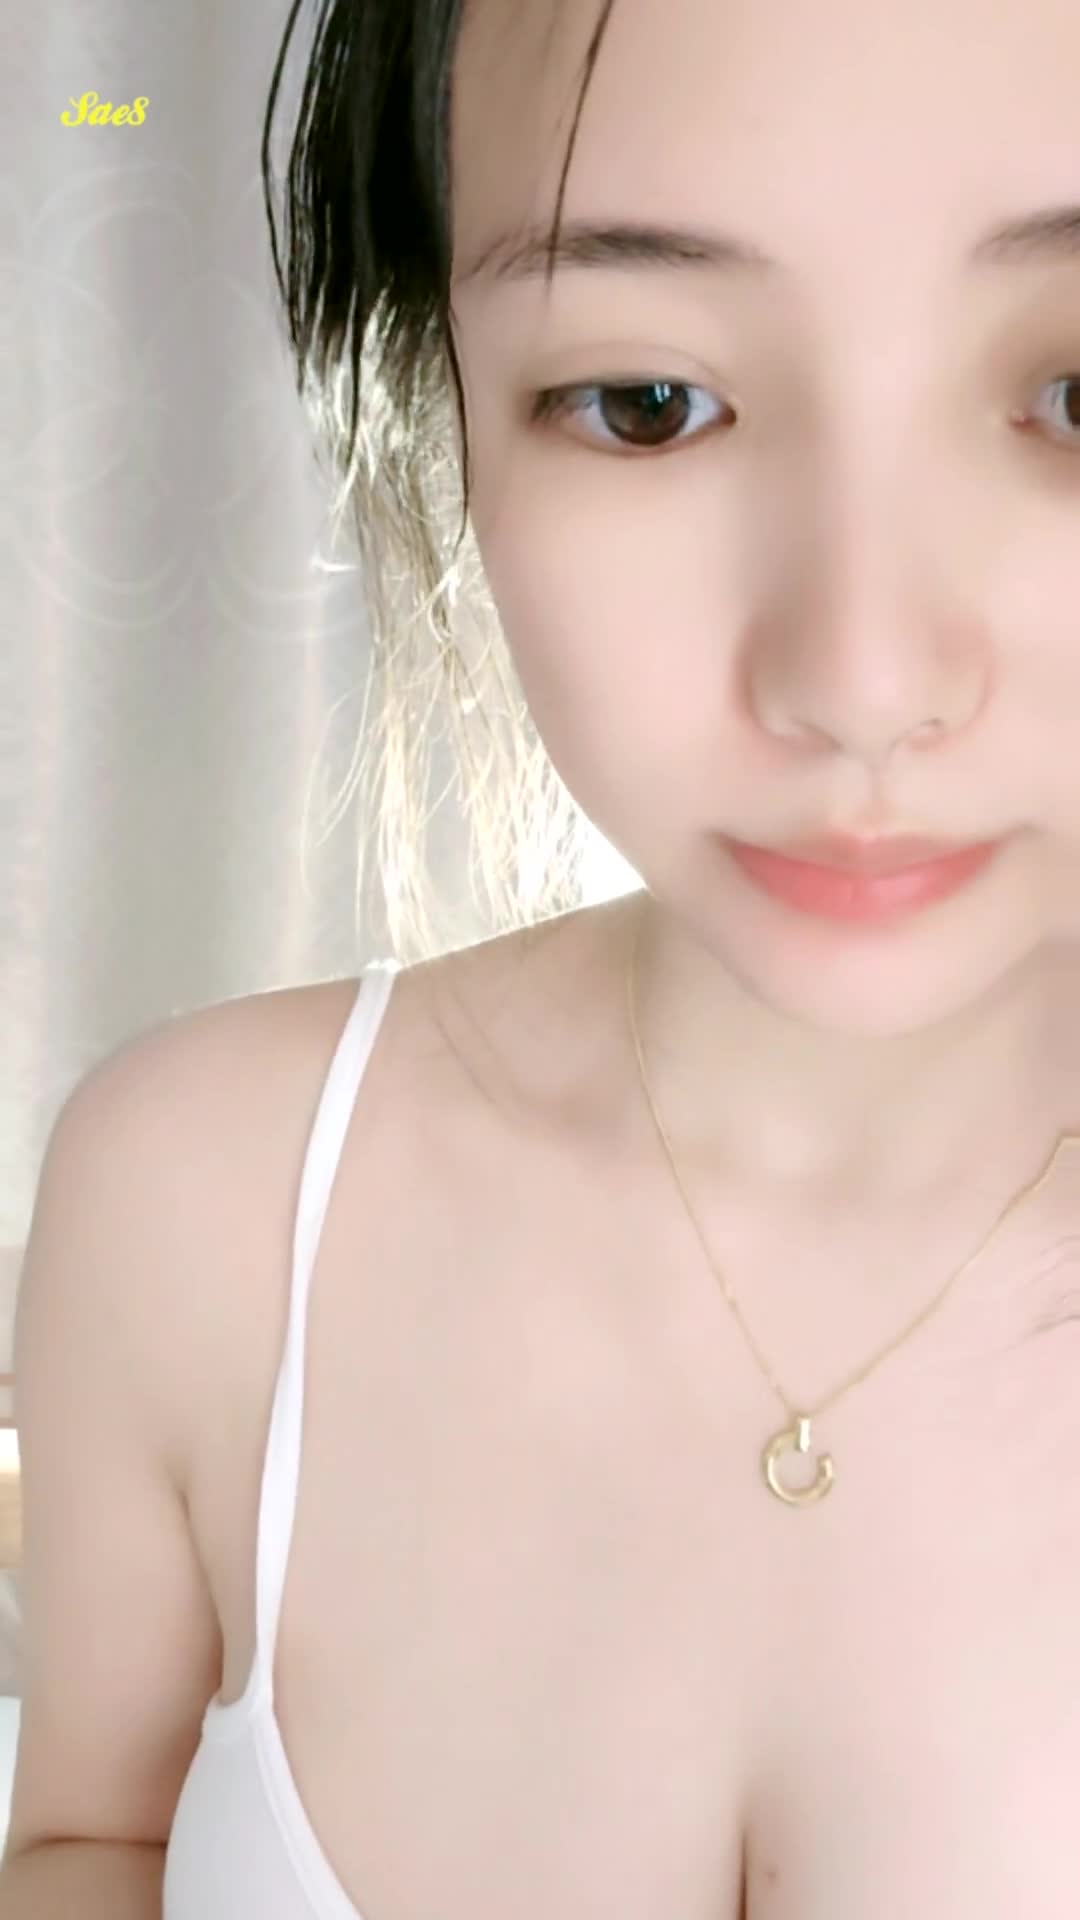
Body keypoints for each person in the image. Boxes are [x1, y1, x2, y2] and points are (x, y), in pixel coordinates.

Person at [3, 0, 1080, 1912]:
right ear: (447, 401)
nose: (858, 678)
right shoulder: (203, 1204)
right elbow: (89, 1838)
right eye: (649, 401)